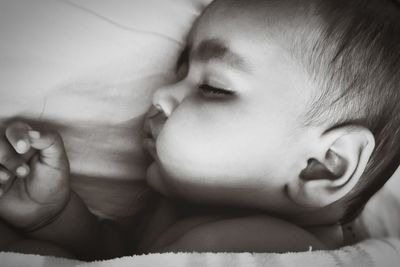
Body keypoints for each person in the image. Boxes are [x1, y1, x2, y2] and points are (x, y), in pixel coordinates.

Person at [0, 0, 399, 261]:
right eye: (180, 71)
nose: (160, 94)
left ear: (322, 166)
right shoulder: (195, 218)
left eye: (213, 88)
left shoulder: (280, 251)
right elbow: (111, 254)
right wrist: (50, 216)